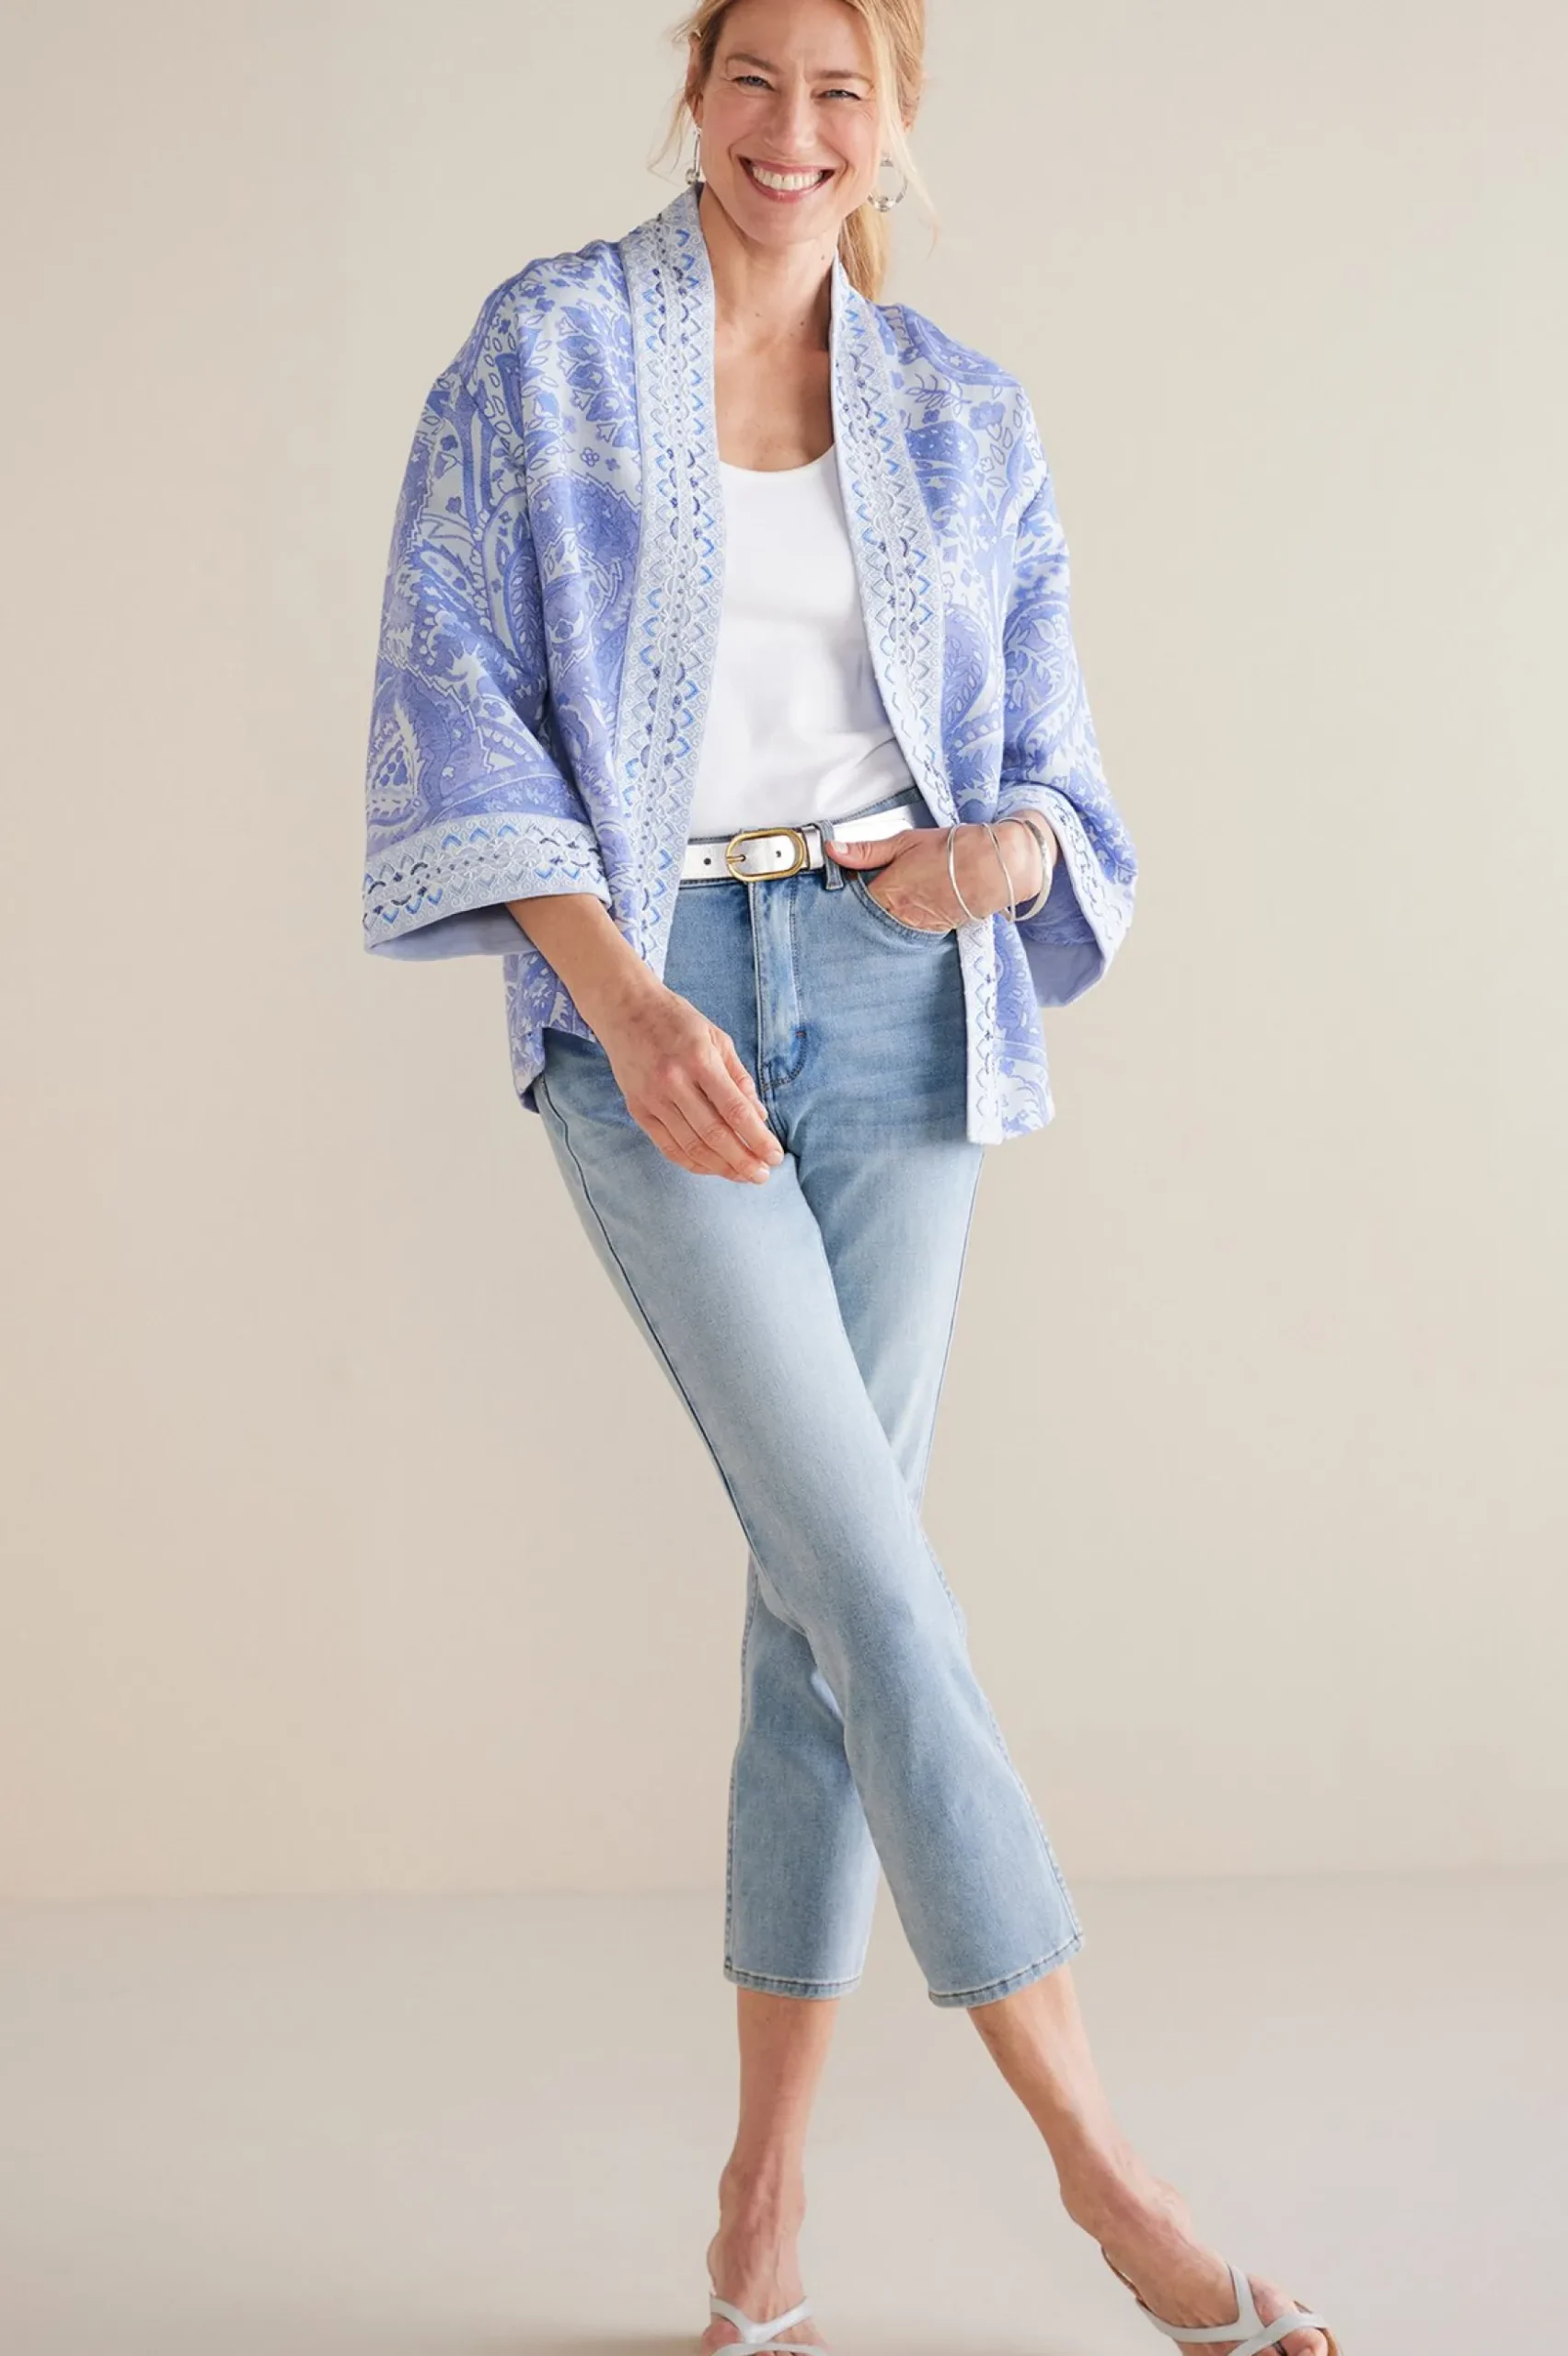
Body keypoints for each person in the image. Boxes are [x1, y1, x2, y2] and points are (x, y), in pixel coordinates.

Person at [360, 4, 1339, 2351]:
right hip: (659, 1005)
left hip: (909, 1010)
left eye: (840, 92)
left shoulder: (962, 414)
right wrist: (623, 998)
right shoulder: (545, 355)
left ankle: (762, 2223)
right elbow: (452, 691)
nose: (790, 132)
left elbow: (1062, 776)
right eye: (753, 76)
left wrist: (998, 856)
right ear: (693, 89)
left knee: (826, 1603)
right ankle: (1108, 2177)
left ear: (896, 129)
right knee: (882, 1596)